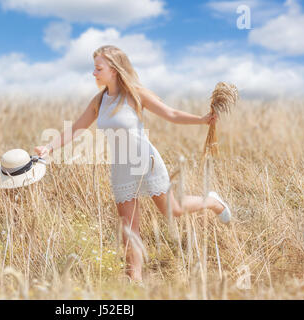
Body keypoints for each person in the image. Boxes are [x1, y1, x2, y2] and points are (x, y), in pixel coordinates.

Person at [34, 45, 231, 283]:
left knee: (173, 210)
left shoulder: (135, 94)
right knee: (129, 228)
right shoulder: (99, 100)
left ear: (114, 70)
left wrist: (201, 120)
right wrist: (49, 147)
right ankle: (134, 281)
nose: (94, 73)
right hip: (121, 167)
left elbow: (171, 114)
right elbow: (77, 128)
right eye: (94, 68)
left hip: (144, 161)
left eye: (98, 68)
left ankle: (213, 201)